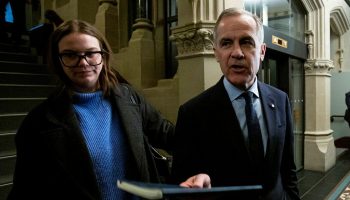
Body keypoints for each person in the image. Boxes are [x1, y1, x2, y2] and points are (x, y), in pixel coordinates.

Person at [8, 19, 175, 200]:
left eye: (91, 53)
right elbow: (26, 189)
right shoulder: (39, 121)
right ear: (58, 61)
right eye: (70, 55)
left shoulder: (129, 98)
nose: (83, 62)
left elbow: (171, 137)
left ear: (103, 56)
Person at [170, 8, 300, 200]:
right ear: (216, 53)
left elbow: (288, 169)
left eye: (247, 42)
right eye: (226, 43)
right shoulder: (193, 113)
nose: (237, 53)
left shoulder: (280, 100)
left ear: (262, 51)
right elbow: (182, 184)